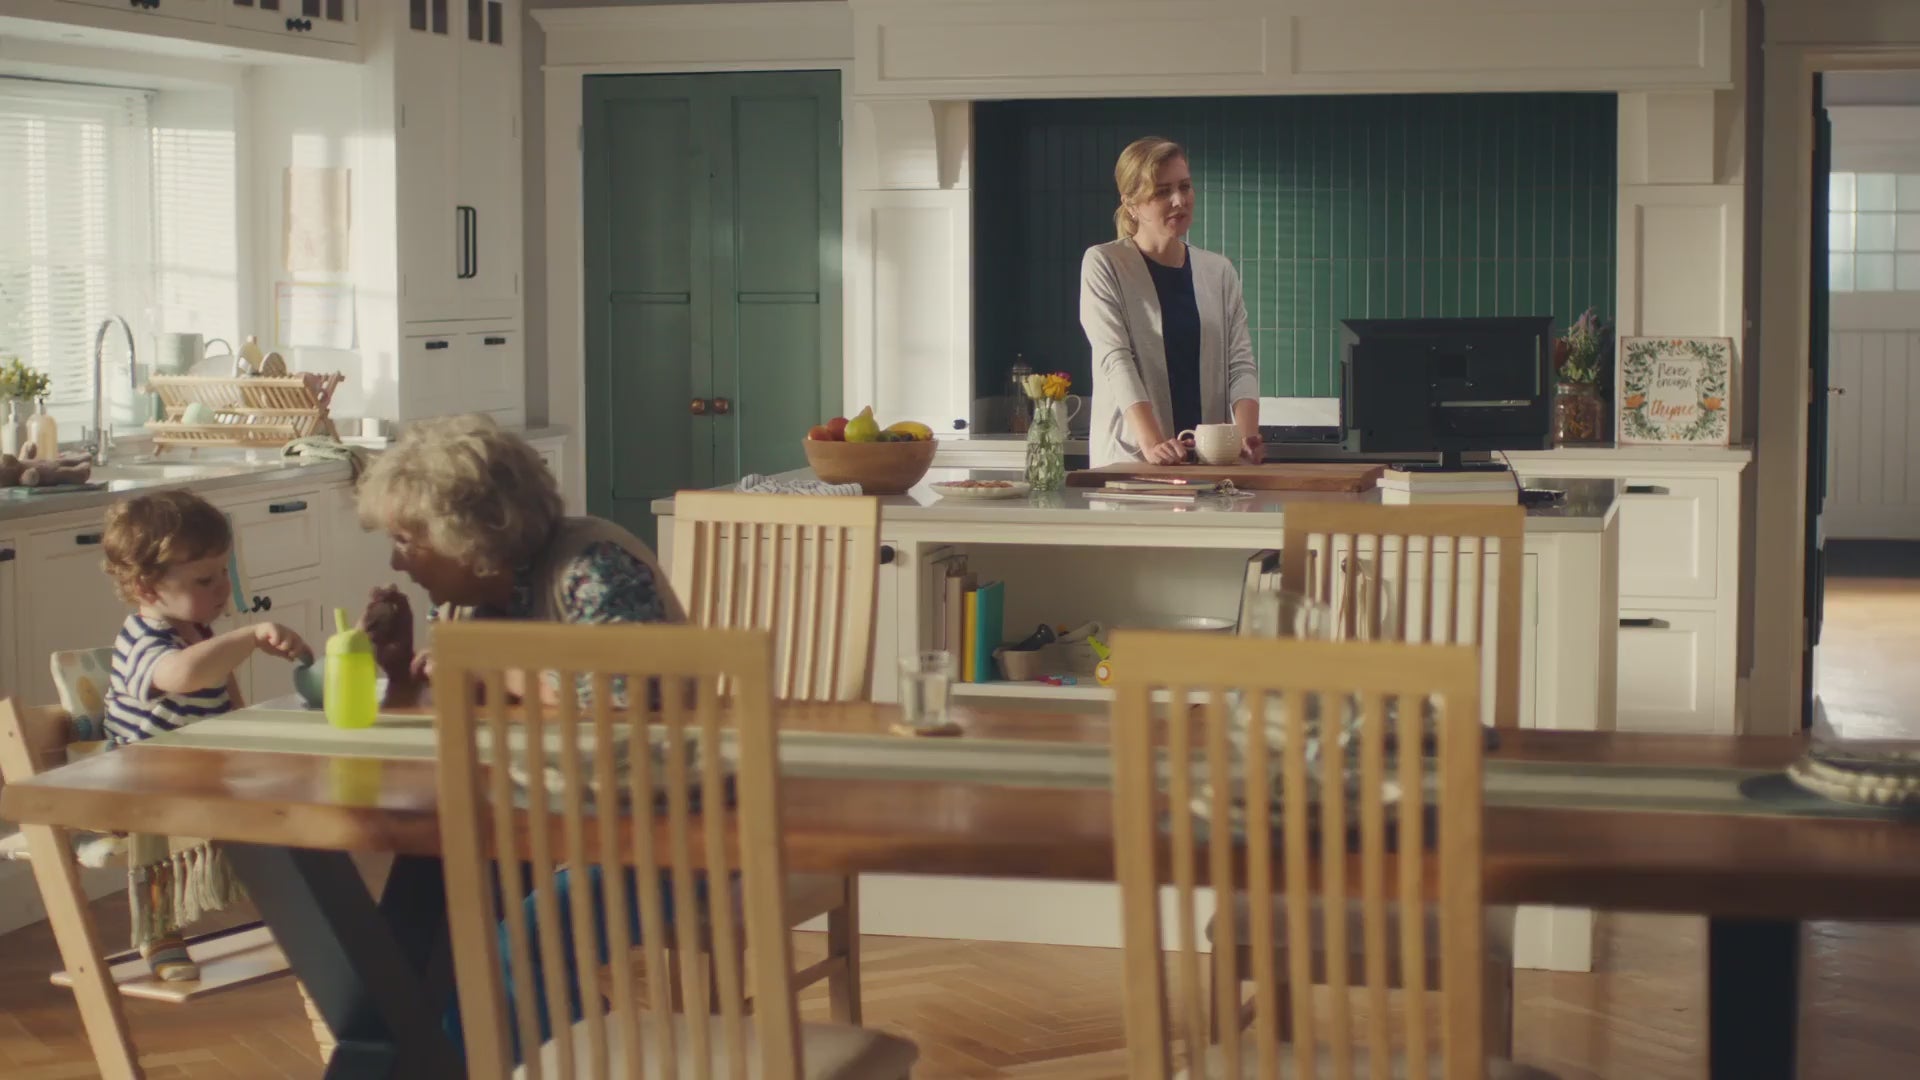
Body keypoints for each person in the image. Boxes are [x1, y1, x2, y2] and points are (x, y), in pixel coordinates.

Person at [354, 413, 689, 1054]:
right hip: (538, 813)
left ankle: (555, 1050)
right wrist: (399, 668)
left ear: (469, 538)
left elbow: (628, 696)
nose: (396, 560)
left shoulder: (591, 565)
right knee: (406, 938)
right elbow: (474, 709)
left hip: (661, 825)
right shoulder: (476, 593)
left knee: (513, 953)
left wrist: (494, 666)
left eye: (406, 540)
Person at [100, 490, 310, 980]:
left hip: (197, 767)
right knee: (153, 830)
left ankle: (299, 909)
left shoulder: (200, 634)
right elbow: (181, 676)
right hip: (136, 775)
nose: (222, 588)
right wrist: (249, 636)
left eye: (223, 573)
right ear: (146, 586)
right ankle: (158, 930)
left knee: (289, 791)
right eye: (204, 579)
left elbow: (225, 699)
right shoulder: (143, 639)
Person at [1080, 136, 1264, 468]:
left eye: (1185, 187)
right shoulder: (1105, 263)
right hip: (1134, 461)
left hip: (1209, 463)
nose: (1179, 200)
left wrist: (1246, 436)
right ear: (1131, 203)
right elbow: (1116, 359)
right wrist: (1152, 442)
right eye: (1163, 191)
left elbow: (1240, 363)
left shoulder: (1219, 272)